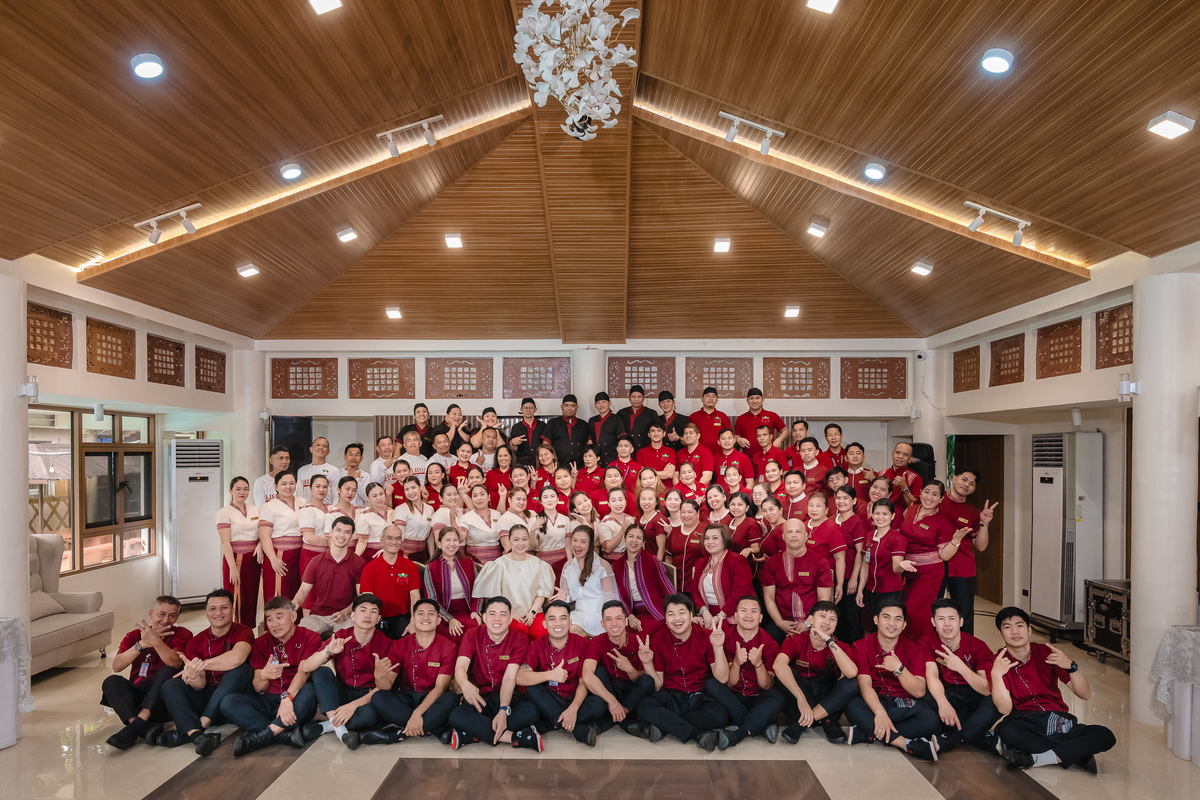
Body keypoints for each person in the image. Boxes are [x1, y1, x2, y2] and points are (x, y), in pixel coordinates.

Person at [992, 607, 1115, 772]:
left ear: (1029, 630)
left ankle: (1038, 758)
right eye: (1007, 627)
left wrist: (1071, 666)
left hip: (1057, 720)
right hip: (1025, 721)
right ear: (1000, 633)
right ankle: (1077, 753)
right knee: (1008, 732)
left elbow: (1085, 694)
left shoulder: (1046, 653)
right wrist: (996, 675)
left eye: (1020, 626)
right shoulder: (997, 662)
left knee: (1105, 735)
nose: (1015, 631)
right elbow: (1005, 709)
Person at [151, 589, 253, 755]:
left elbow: (237, 658)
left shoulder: (243, 631)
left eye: (224, 608)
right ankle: (197, 735)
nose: (218, 613)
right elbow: (199, 685)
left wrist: (202, 664)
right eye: (212, 609)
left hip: (233, 701)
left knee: (240, 669)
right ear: (206, 613)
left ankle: (199, 726)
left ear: (232, 611)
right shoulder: (196, 641)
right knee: (170, 684)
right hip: (208, 698)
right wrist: (193, 675)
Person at [221, 597, 323, 756]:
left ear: (293, 616)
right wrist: (263, 676)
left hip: (295, 700)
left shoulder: (310, 637)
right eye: (269, 619)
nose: (274, 624)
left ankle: (262, 735)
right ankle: (283, 734)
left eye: (279, 617)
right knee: (228, 702)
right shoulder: (261, 643)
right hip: (268, 700)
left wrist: (287, 698)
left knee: (310, 690)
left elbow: (303, 673)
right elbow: (257, 687)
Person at [844, 602, 940, 760]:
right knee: (851, 705)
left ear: (904, 625)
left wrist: (899, 669)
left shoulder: (914, 649)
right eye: (886, 617)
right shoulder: (860, 646)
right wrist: (880, 712)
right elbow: (865, 685)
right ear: (876, 620)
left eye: (898, 619)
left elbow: (919, 691)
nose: (892, 623)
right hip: (875, 701)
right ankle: (905, 743)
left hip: (903, 704)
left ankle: (868, 733)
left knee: (931, 720)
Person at [635, 594, 730, 750]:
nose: (677, 618)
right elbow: (657, 685)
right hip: (670, 696)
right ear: (666, 619)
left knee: (721, 714)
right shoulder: (658, 640)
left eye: (682, 612)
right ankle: (697, 734)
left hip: (699, 696)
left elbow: (723, 678)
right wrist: (647, 664)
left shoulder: (707, 636)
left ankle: (665, 724)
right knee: (643, 706)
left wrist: (718, 647)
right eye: (671, 614)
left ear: (691, 616)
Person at [447, 597, 543, 751]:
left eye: (503, 614)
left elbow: (510, 676)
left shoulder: (519, 639)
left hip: (507, 696)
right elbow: (460, 666)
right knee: (455, 715)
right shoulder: (472, 635)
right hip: (480, 698)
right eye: (492, 614)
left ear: (510, 618)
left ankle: (474, 734)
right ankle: (514, 737)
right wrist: (464, 684)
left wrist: (503, 710)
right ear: (484, 617)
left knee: (532, 711)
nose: (497, 619)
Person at [299, 594, 392, 749]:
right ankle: (341, 731)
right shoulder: (340, 636)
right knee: (320, 672)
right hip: (342, 692)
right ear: (353, 616)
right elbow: (306, 667)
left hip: (368, 698)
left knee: (370, 716)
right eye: (363, 610)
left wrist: (353, 706)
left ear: (378, 619)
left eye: (373, 612)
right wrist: (328, 651)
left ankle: (327, 726)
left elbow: (386, 686)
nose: (367, 615)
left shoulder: (387, 644)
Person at [363, 598, 460, 744]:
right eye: (420, 613)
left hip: (432, 699)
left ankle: (397, 734)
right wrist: (379, 677)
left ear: (438, 620)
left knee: (451, 699)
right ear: (413, 620)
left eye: (431, 614)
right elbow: (386, 686)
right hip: (406, 697)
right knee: (379, 697)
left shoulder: (448, 646)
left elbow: (440, 688)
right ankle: (436, 729)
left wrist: (418, 713)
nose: (426, 617)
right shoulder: (400, 645)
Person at [102, 596, 191, 750]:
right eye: (161, 614)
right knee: (111, 681)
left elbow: (175, 663)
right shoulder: (134, 635)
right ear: (151, 614)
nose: (166, 620)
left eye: (172, 615)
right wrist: (142, 644)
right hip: (138, 695)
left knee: (168, 670)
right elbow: (117, 666)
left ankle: (141, 719)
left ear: (177, 617)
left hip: (163, 699)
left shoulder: (183, 634)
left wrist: (156, 641)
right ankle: (138, 725)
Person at [518, 600, 608, 745]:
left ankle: (553, 722)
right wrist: (550, 675)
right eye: (552, 619)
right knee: (531, 688)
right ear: (545, 624)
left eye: (563, 618)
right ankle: (577, 728)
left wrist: (573, 708)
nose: (558, 623)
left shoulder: (582, 643)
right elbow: (520, 677)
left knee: (599, 705)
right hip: (551, 699)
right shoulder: (536, 645)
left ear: (570, 622)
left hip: (576, 698)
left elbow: (584, 681)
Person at [920, 599, 1003, 755]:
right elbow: (932, 676)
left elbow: (985, 689)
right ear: (933, 622)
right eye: (941, 619)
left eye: (952, 618)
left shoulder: (978, 646)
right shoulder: (926, 642)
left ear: (961, 621)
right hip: (946, 696)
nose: (947, 624)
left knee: (997, 699)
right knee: (923, 692)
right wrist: (942, 702)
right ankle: (978, 735)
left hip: (973, 696)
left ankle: (954, 738)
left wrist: (961, 668)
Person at [773, 600, 860, 745]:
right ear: (810, 619)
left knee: (852, 683)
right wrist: (801, 698)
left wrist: (828, 640)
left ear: (836, 625)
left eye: (832, 619)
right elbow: (778, 665)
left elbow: (851, 673)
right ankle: (827, 721)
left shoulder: (842, 647)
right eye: (822, 616)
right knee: (783, 672)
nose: (827, 622)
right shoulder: (795, 640)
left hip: (828, 702)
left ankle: (802, 723)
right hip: (800, 700)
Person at [703, 595, 784, 749]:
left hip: (757, 696)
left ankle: (738, 734)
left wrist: (758, 664)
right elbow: (729, 682)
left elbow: (767, 685)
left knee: (780, 696)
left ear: (760, 618)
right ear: (735, 616)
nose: (748, 615)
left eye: (753, 611)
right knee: (711, 684)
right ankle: (758, 725)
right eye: (744, 610)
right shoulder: (725, 637)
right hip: (732, 696)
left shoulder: (770, 643)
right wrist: (736, 663)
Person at [899, 482, 967, 642]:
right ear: (920, 492)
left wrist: (955, 542)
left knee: (916, 613)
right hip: (906, 570)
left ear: (941, 499)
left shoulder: (942, 521)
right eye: (927, 492)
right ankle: (904, 647)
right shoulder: (911, 509)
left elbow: (944, 555)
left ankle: (922, 648)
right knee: (902, 610)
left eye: (935, 494)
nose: (929, 497)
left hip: (929, 574)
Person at [580, 601, 655, 738]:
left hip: (631, 693)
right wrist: (613, 702)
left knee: (647, 679)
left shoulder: (639, 641)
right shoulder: (597, 641)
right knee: (599, 672)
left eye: (618, 618)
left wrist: (630, 670)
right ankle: (624, 720)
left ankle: (614, 718)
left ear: (626, 621)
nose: (614, 624)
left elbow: (650, 681)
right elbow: (587, 675)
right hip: (609, 690)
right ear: (602, 624)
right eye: (608, 619)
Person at [939, 467, 997, 634]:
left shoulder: (973, 511)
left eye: (972, 483)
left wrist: (984, 523)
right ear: (954, 478)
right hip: (935, 563)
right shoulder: (937, 499)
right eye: (964, 479)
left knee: (963, 613)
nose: (967, 485)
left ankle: (965, 648)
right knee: (932, 608)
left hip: (962, 567)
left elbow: (981, 546)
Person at [473, 525, 556, 638]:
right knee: (520, 631)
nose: (520, 543)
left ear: (529, 541)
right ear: (509, 541)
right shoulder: (499, 565)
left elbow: (542, 594)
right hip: (507, 612)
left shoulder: (539, 564)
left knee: (542, 631)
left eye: (524, 539)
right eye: (516, 539)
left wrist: (532, 613)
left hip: (534, 612)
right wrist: (511, 612)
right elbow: (495, 595)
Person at [761, 518, 834, 643]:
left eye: (798, 531)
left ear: (806, 536)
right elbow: (769, 597)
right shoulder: (772, 562)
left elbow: (824, 599)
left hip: (812, 622)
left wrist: (808, 623)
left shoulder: (820, 562)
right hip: (782, 621)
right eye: (789, 532)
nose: (794, 535)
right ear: (783, 536)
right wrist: (779, 622)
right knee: (765, 641)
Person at [294, 516, 366, 635]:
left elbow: (361, 596)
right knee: (301, 635)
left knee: (352, 637)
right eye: (338, 530)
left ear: (352, 536)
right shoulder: (316, 561)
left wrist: (346, 612)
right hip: (318, 616)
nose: (342, 535)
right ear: (331, 532)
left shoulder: (359, 563)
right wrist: (293, 604)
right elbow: (303, 591)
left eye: (347, 532)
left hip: (347, 616)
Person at [856, 499, 914, 634]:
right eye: (877, 513)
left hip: (890, 591)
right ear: (872, 514)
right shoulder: (868, 537)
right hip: (870, 590)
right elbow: (865, 564)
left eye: (885, 514)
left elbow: (896, 568)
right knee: (869, 626)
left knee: (888, 628)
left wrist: (901, 566)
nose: (880, 517)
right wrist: (860, 590)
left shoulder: (897, 538)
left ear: (892, 516)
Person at [359, 525, 422, 639]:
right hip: (377, 618)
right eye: (389, 538)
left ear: (401, 542)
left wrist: (413, 621)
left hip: (403, 618)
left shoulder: (410, 566)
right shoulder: (369, 568)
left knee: (410, 643)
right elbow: (368, 599)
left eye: (398, 538)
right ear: (381, 541)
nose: (394, 542)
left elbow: (415, 596)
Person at [612, 524, 675, 638]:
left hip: (655, 611)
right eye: (631, 536)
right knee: (620, 636)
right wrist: (629, 615)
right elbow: (619, 594)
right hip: (631, 614)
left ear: (643, 542)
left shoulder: (651, 560)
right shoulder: (617, 565)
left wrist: (676, 610)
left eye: (639, 538)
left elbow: (667, 587)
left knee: (641, 636)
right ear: (624, 539)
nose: (634, 541)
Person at [687, 525, 754, 629]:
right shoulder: (700, 563)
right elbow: (694, 591)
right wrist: (704, 612)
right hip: (706, 614)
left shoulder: (738, 561)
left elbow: (739, 594)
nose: (710, 542)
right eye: (707, 538)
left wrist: (719, 617)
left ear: (724, 540)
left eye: (715, 538)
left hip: (733, 614)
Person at [217, 476, 261, 629]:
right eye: (238, 489)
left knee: (250, 597)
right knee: (235, 598)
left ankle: (248, 631)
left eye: (245, 489)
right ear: (230, 491)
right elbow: (225, 542)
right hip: (235, 559)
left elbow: (262, 532)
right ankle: (233, 632)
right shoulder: (224, 512)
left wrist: (260, 544)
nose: (242, 492)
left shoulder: (255, 509)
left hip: (253, 560)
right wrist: (233, 567)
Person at [424, 527, 481, 643]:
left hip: (468, 611)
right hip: (442, 614)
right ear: (439, 544)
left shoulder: (469, 562)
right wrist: (449, 619)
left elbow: (478, 590)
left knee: (475, 631)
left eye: (455, 540)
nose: (452, 543)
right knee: (453, 634)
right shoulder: (431, 568)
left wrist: (475, 611)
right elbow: (432, 600)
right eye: (447, 540)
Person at [257, 471, 307, 605]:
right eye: (284, 484)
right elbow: (264, 535)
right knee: (280, 594)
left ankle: (296, 619)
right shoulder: (269, 506)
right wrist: (273, 559)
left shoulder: (302, 502)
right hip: (280, 555)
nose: (288, 487)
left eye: (292, 483)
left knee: (297, 592)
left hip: (300, 554)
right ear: (275, 486)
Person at [557, 526, 618, 636]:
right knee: (561, 627)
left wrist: (608, 618)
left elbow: (610, 596)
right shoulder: (568, 566)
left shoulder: (602, 566)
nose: (577, 545)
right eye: (575, 540)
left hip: (599, 612)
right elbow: (568, 595)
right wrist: (564, 597)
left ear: (590, 545)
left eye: (583, 542)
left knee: (572, 629)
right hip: (579, 612)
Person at [831, 485, 867, 642]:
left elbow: (860, 552)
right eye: (838, 498)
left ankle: (853, 650)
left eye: (845, 498)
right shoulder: (831, 520)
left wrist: (854, 578)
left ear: (854, 501)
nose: (841, 501)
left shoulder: (857, 523)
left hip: (849, 574)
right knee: (834, 616)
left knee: (850, 616)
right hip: (831, 575)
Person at [803, 493, 848, 601]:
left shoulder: (832, 528)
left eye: (818, 506)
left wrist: (840, 584)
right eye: (811, 505)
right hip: (803, 577)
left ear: (827, 509)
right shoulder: (803, 526)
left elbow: (840, 558)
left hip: (823, 579)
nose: (814, 509)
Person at [390, 475, 436, 562]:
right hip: (405, 555)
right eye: (406, 489)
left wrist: (432, 557)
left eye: (413, 487)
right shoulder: (401, 509)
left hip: (422, 554)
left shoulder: (429, 509)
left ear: (420, 487)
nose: (410, 492)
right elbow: (399, 536)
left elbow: (430, 537)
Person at [298, 473, 334, 577]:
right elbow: (309, 537)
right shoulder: (307, 509)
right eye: (317, 486)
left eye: (325, 487)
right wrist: (333, 544)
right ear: (310, 488)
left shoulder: (331, 508)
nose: (321, 490)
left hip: (330, 555)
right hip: (312, 555)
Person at [665, 498, 706, 590]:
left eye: (690, 512)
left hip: (698, 583)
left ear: (698, 513)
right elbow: (668, 557)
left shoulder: (706, 530)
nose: (686, 515)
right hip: (677, 584)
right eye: (683, 512)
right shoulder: (675, 531)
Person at [460, 484, 506, 562]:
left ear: (488, 497)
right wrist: (452, 521)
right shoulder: (466, 517)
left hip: (497, 563)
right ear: (471, 499)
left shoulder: (497, 514)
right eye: (475, 495)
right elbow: (460, 538)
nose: (479, 498)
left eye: (482, 494)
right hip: (475, 563)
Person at [543, 394, 589, 469]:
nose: (569, 408)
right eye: (566, 405)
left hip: (580, 467)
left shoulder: (584, 424)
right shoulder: (553, 423)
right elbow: (546, 445)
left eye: (572, 406)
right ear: (561, 407)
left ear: (577, 408)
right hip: (558, 467)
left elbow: (588, 447)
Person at [354, 482, 395, 560]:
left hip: (391, 553)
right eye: (374, 496)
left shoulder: (391, 512)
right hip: (373, 555)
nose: (379, 498)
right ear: (367, 498)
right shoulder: (364, 515)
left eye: (381, 494)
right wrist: (356, 558)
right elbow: (362, 542)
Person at [296, 437, 344, 502]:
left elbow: (336, 496)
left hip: (327, 507)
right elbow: (299, 495)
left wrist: (333, 508)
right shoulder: (302, 470)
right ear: (311, 449)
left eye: (324, 446)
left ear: (328, 452)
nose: (321, 448)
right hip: (307, 507)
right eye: (318, 445)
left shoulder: (334, 470)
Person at [597, 485, 636, 561]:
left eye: (620, 500)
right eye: (613, 500)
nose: (618, 504)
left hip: (630, 561)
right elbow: (607, 549)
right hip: (613, 563)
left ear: (625, 502)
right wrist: (623, 530)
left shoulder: (630, 519)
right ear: (609, 504)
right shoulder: (605, 523)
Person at [588, 391, 628, 464]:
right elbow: (590, 442)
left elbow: (622, 439)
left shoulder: (617, 419)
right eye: (598, 403)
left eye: (604, 402)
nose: (601, 405)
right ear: (595, 406)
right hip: (596, 460)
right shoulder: (592, 421)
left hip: (613, 458)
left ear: (609, 403)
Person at [881, 442, 923, 512]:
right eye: (897, 453)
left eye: (905, 454)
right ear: (892, 455)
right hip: (880, 513)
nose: (900, 456)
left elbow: (916, 506)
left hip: (902, 515)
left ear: (910, 459)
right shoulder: (881, 473)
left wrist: (904, 487)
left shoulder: (915, 478)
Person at [689, 386, 730, 455]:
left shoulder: (723, 416)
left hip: (719, 454)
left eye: (713, 396)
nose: (711, 399)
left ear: (717, 400)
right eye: (707, 396)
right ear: (702, 399)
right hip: (698, 454)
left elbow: (728, 435)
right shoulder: (693, 417)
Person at [618, 385, 659, 450]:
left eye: (639, 397)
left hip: (645, 449)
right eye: (633, 397)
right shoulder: (621, 413)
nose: (636, 399)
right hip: (626, 450)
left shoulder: (651, 413)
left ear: (644, 398)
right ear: (629, 398)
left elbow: (657, 433)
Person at [508, 398, 547, 466]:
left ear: (535, 410)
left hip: (540, 462)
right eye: (525, 407)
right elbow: (514, 449)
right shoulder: (516, 427)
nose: (528, 410)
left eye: (531, 407)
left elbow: (546, 445)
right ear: (521, 410)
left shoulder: (542, 425)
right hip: (522, 463)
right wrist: (512, 443)